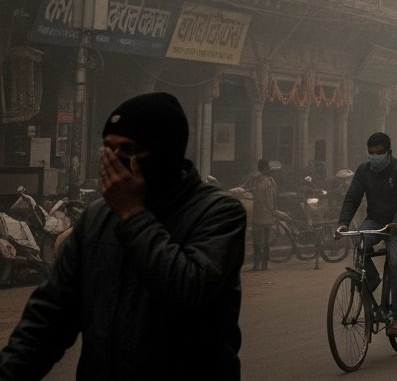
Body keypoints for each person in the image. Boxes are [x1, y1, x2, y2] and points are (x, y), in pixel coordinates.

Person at [0, 92, 246, 378]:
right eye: (108, 149)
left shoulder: (219, 212)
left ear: (167, 152)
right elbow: (50, 317)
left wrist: (131, 212)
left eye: (129, 150)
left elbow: (187, 291)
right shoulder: (96, 218)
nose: (115, 161)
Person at [337, 132, 397, 338]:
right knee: (360, 246)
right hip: (375, 221)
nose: (375, 156)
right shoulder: (363, 171)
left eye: (379, 153)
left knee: (395, 262)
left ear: (388, 153)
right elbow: (352, 198)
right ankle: (371, 279)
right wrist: (343, 224)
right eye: (371, 153)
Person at [250, 157, 278, 271]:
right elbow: (273, 197)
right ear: (266, 168)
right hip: (267, 214)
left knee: (257, 241)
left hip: (257, 213)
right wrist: (273, 209)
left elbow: (246, 190)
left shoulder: (253, 179)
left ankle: (256, 265)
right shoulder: (269, 181)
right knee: (266, 241)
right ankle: (264, 265)